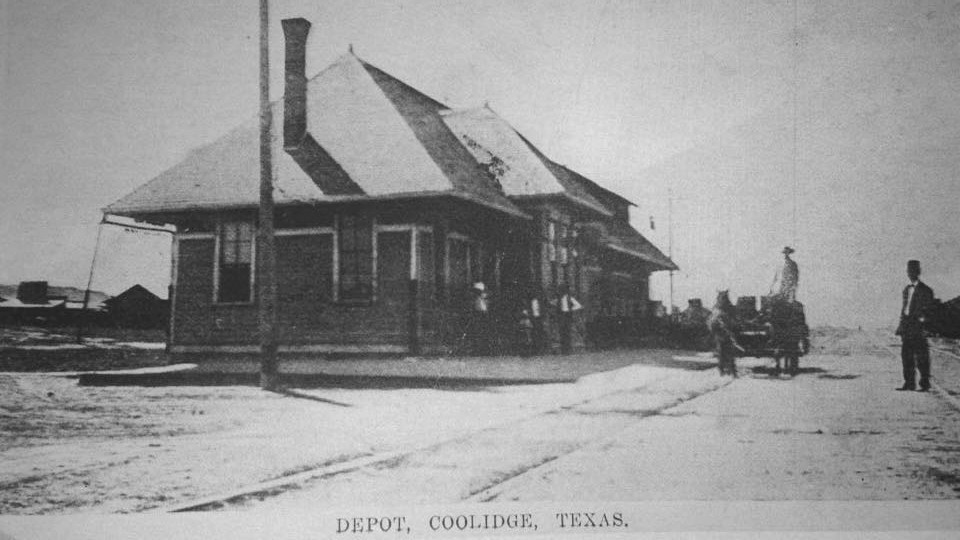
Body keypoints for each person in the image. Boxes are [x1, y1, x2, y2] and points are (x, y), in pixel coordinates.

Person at [895, 260, 935, 392]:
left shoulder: (927, 290)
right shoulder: (906, 290)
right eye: (908, 271)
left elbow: (929, 310)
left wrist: (924, 324)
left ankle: (924, 384)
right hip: (907, 326)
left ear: (918, 272)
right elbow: (904, 309)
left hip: (918, 326)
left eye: (912, 271)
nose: (910, 273)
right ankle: (909, 383)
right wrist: (901, 326)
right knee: (906, 356)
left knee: (921, 356)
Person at [555, 284, 583, 355]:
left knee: (567, 333)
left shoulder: (569, 298)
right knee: (562, 333)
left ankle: (568, 350)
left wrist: (570, 309)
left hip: (567, 316)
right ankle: (563, 350)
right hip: (561, 316)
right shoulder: (558, 299)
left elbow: (578, 305)